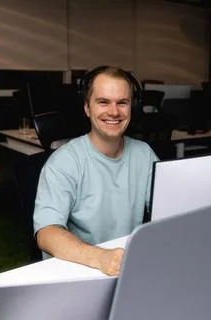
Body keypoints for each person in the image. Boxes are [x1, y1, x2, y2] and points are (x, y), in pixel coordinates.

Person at [33, 66, 159, 276]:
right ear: (87, 108)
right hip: (80, 269)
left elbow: (168, 211)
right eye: (103, 102)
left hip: (127, 267)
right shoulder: (64, 162)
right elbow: (47, 233)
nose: (114, 111)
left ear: (132, 107)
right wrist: (100, 257)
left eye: (122, 102)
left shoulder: (144, 154)